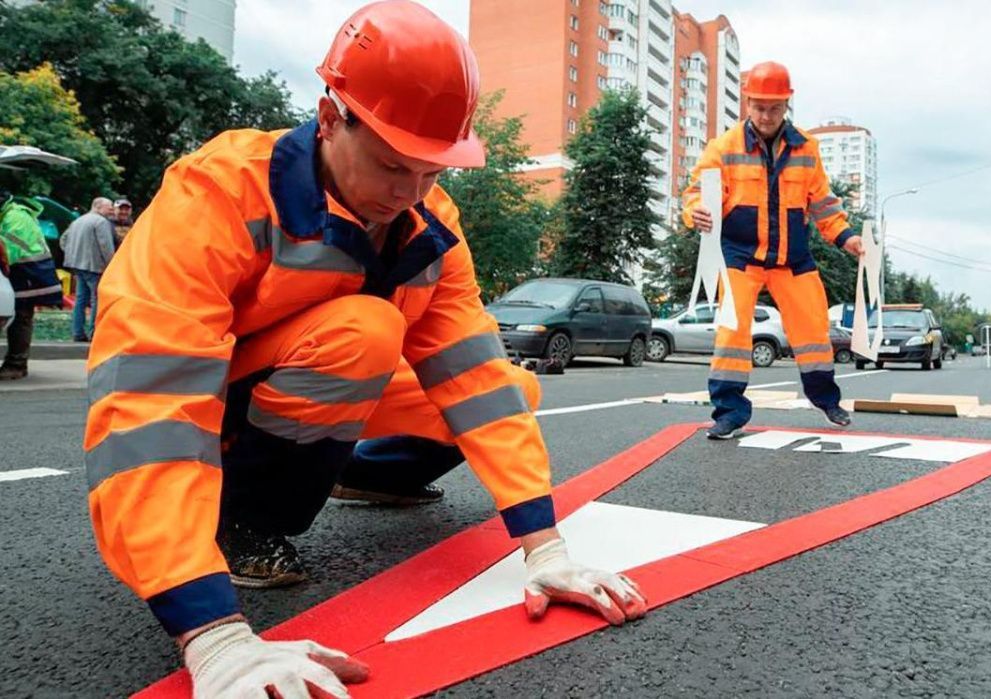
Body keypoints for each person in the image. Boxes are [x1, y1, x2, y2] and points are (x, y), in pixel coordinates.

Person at [84, 3, 645, 696]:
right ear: (328, 118)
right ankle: (245, 521)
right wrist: (212, 634)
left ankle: (374, 472)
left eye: (432, 172)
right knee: (365, 332)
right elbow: (149, 402)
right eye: (390, 165)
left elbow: (476, 380)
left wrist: (543, 545)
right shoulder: (218, 193)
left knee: (512, 390)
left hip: (325, 380)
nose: (409, 195)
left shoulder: (430, 227)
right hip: (216, 407)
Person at [682, 61, 865, 439]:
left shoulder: (806, 149)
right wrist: (695, 213)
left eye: (774, 108)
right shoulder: (724, 148)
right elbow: (697, 192)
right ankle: (729, 412)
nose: (766, 116)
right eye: (759, 107)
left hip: (792, 257)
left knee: (814, 328)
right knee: (732, 333)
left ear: (786, 106)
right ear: (747, 103)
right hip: (740, 255)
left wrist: (846, 236)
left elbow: (823, 204)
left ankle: (826, 399)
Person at [0, 191, 63, 380]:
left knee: (20, 317)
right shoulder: (10, 214)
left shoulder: (16, 217)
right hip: (23, 272)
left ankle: (16, 365)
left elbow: (8, 250)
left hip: (29, 273)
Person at [59, 196, 115, 342]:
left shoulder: (78, 221)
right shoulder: (101, 222)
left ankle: (77, 333)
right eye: (108, 207)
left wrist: (72, 253)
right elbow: (106, 246)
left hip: (77, 265)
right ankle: (95, 333)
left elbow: (63, 240)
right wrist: (112, 265)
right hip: (94, 266)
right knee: (97, 299)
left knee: (80, 299)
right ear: (98, 207)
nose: (111, 210)